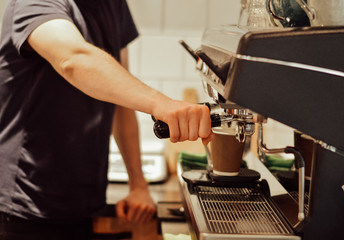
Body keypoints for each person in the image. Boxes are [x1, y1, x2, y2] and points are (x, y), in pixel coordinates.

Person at [0, 0, 213, 239]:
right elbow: (73, 59)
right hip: (26, 204)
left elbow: (121, 100)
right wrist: (161, 104)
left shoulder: (113, 5)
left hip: (83, 201)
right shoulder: (34, 3)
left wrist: (138, 185)